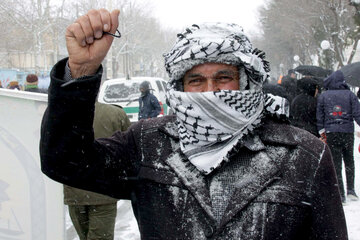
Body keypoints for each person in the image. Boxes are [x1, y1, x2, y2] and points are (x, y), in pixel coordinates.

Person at [40, 9, 347, 239]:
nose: (209, 90)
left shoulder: (303, 154)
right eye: (196, 80)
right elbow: (65, 161)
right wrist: (81, 71)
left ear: (246, 81)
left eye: (223, 77)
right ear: (181, 87)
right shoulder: (148, 143)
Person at [64, 101, 131, 240]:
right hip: (104, 190)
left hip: (75, 191)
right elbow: (130, 149)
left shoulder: (64, 114)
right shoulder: (115, 114)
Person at [317, 70, 360, 204]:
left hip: (331, 132)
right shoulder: (350, 95)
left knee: (335, 163)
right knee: (349, 160)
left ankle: (340, 193)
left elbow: (320, 115)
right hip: (347, 132)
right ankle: (351, 190)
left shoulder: (324, 96)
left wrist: (321, 131)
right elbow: (357, 114)